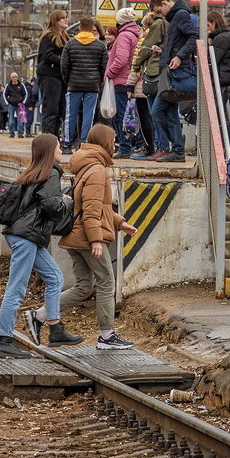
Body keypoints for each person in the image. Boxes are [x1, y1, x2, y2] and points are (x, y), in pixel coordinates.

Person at [49, 123, 138, 349]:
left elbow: (100, 207)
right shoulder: (97, 169)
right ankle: (107, 336)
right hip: (87, 237)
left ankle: (41, 314)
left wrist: (120, 223)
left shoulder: (86, 164)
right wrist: (96, 239)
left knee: (83, 287)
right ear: (105, 142)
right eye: (114, 140)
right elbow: (90, 209)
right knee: (107, 281)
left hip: (76, 236)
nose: (116, 144)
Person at [0, 133, 83, 358]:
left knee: (54, 277)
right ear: (50, 151)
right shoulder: (50, 173)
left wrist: (56, 198)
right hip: (26, 236)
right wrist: (66, 201)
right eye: (60, 148)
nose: (62, 152)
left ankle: (55, 328)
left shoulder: (33, 172)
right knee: (16, 288)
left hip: (26, 235)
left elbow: (39, 202)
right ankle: (4, 340)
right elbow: (51, 206)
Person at [148, 0, 196, 162]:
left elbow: (194, 36)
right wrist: (165, 53)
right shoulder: (176, 16)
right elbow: (181, 41)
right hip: (172, 71)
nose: (161, 15)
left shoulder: (180, 15)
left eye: (159, 11)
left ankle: (175, 147)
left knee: (156, 111)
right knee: (170, 113)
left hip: (178, 72)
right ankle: (177, 150)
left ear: (165, 3)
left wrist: (179, 56)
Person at [60, 17, 108, 153]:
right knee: (89, 115)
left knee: (70, 114)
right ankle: (84, 142)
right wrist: (98, 82)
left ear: (80, 28)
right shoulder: (100, 45)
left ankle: (67, 144)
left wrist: (68, 80)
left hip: (74, 84)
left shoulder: (70, 44)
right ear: (92, 28)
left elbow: (64, 66)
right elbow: (104, 67)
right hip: (92, 85)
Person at [128, 10, 165, 160]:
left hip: (142, 85)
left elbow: (136, 63)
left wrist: (129, 85)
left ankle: (149, 147)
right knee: (156, 117)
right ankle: (159, 147)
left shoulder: (144, 41)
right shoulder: (161, 39)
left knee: (145, 118)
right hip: (155, 82)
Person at [105, 8, 141, 159]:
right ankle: (131, 145)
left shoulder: (124, 36)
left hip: (121, 80)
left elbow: (120, 59)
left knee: (120, 116)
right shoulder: (135, 34)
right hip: (129, 79)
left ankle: (125, 148)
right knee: (130, 115)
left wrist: (109, 73)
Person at [36, 10, 70, 138]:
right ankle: (48, 139)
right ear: (55, 21)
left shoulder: (65, 37)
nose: (66, 20)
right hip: (49, 76)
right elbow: (48, 55)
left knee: (60, 110)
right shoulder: (49, 36)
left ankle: (55, 138)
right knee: (51, 109)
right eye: (62, 18)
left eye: (66, 17)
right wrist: (64, 60)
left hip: (61, 77)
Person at [3, 72, 28, 138]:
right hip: (11, 105)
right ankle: (11, 133)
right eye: (13, 77)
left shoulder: (21, 85)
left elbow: (25, 94)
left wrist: (23, 102)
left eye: (16, 77)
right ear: (11, 78)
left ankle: (20, 133)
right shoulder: (8, 85)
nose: (15, 78)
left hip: (20, 105)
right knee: (11, 120)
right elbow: (4, 94)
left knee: (20, 120)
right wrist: (7, 103)